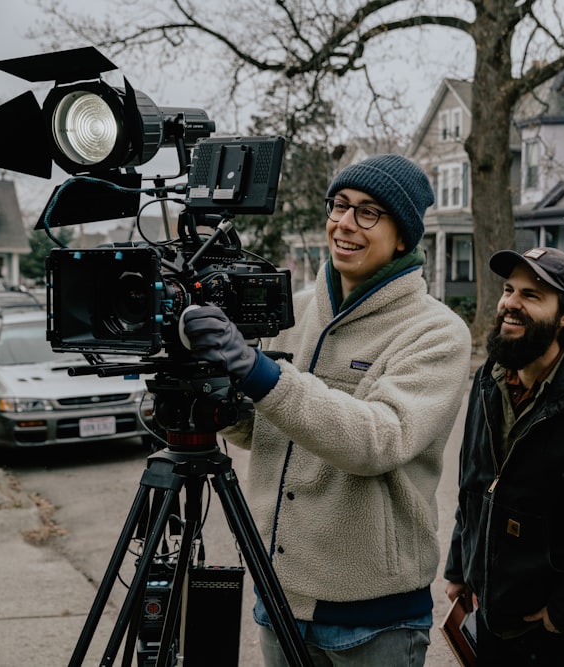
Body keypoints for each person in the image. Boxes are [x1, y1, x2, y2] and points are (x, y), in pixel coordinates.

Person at [181, 153, 473, 666]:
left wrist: (260, 373)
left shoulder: (436, 332)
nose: (345, 224)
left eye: (368, 212)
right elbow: (275, 427)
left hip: (373, 617)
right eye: (339, 206)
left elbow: (378, 440)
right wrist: (220, 408)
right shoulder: (295, 307)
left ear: (403, 236)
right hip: (279, 597)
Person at [444, 247, 564, 665]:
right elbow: (475, 481)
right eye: (508, 290)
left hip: (552, 632)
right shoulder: (490, 375)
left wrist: (563, 608)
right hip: (491, 613)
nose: (510, 304)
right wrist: (460, 567)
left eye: (532, 295)